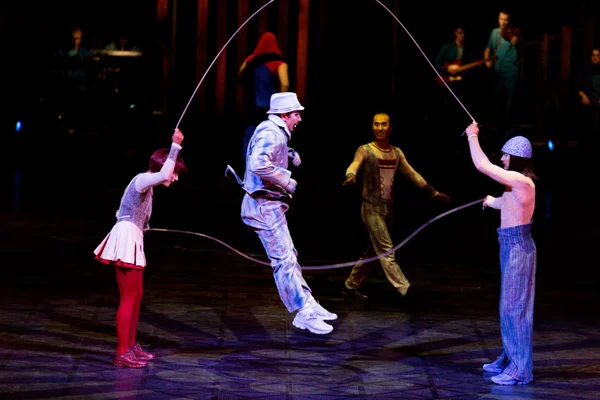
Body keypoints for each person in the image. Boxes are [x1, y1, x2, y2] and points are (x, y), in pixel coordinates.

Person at [226, 92, 336, 335]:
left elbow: (267, 154)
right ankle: (303, 313)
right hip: (262, 205)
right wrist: (287, 180)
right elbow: (258, 164)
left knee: (289, 256)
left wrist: (289, 154)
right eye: (296, 114)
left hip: (270, 205)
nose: (299, 118)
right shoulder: (271, 132)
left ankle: (308, 304)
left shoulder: (275, 133)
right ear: (284, 115)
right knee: (284, 261)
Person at [94, 129, 186, 367]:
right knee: (128, 298)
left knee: (136, 296)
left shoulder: (149, 188)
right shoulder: (142, 178)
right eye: (175, 172)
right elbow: (164, 172)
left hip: (132, 238)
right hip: (125, 239)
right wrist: (175, 146)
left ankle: (131, 346)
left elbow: (127, 210)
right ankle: (122, 352)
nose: (174, 178)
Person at [341, 112, 450, 300]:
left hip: (388, 208)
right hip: (371, 207)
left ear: (390, 127)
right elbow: (354, 164)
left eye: (383, 124)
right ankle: (404, 289)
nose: (379, 128)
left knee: (372, 250)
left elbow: (413, 174)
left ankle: (351, 285)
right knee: (386, 249)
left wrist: (433, 193)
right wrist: (350, 176)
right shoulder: (365, 150)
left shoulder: (396, 152)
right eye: (376, 124)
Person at [464, 121, 537, 385]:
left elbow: (482, 166)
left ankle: (520, 369)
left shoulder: (521, 180)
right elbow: (506, 205)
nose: (503, 158)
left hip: (517, 247)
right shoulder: (515, 185)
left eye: (507, 155)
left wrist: (472, 137)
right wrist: (490, 202)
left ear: (517, 158)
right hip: (510, 245)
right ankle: (510, 358)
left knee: (514, 308)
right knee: (509, 306)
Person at [239, 32, 289, 159]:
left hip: (251, 107)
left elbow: (240, 77)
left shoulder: (249, 61)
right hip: (269, 108)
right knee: (271, 136)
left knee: (250, 135)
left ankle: (247, 163)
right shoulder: (279, 63)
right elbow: (285, 83)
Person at [483, 9, 522, 138]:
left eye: (506, 20)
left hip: (511, 72)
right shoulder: (494, 32)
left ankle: (510, 133)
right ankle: (497, 132)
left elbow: (519, 42)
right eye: (501, 19)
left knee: (510, 103)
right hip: (497, 72)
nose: (503, 22)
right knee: (497, 101)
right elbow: (488, 48)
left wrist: (516, 39)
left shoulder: (514, 32)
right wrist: (487, 60)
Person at [575, 48, 600, 147]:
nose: (595, 57)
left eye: (597, 55)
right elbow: (577, 85)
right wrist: (583, 95)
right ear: (591, 57)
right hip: (587, 99)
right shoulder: (585, 69)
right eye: (593, 55)